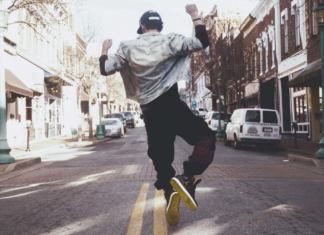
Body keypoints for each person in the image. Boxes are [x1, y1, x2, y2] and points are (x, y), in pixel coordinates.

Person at [99, 4, 216, 225]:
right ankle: (187, 177)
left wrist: (104, 49)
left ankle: (171, 192)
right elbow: (202, 42)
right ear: (160, 27)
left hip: (150, 112)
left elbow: (105, 69)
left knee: (162, 160)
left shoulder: (127, 47)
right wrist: (194, 15)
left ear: (142, 27)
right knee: (206, 138)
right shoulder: (170, 40)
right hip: (171, 103)